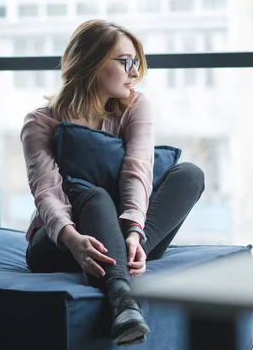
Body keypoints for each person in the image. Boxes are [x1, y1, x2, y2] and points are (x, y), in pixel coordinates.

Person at [20, 20, 205, 347]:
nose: (134, 72)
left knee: (189, 174)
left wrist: (134, 232)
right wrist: (73, 240)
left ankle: (120, 263)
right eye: (125, 61)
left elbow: (138, 169)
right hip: (61, 242)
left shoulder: (135, 106)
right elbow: (46, 191)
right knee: (91, 192)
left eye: (136, 63)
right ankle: (122, 297)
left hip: (124, 237)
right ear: (90, 62)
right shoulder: (40, 121)